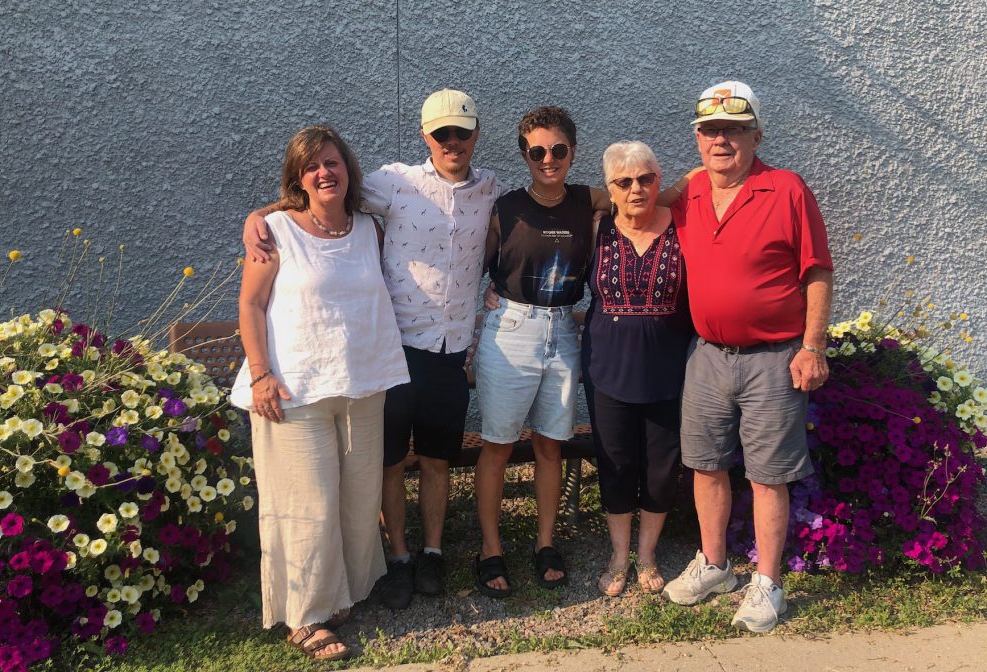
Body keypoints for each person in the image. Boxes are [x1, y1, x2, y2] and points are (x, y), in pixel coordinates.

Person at [244, 89, 500, 610]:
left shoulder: (491, 190)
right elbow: (321, 194)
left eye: (462, 132)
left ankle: (431, 552)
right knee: (387, 462)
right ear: (425, 136)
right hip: (393, 351)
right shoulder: (395, 183)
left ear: (476, 135)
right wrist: (259, 213)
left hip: (449, 351)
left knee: (435, 460)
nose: (452, 141)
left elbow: (541, 210)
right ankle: (398, 557)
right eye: (442, 133)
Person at [231, 125, 410, 659]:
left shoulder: (368, 230)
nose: (324, 172)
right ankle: (305, 615)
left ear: (348, 170)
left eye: (333, 162)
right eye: (312, 166)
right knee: (307, 505)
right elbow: (250, 306)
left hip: (361, 386)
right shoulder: (275, 231)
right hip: (293, 392)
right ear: (298, 178)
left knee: (357, 501)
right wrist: (260, 373)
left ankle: (341, 594)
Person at [661, 81, 834, 633]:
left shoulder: (785, 190)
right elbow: (629, 199)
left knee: (767, 475)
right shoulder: (687, 194)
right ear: (696, 138)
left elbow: (817, 272)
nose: (721, 139)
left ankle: (769, 584)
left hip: (773, 358)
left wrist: (813, 346)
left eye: (734, 129)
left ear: (756, 135)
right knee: (706, 464)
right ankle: (715, 565)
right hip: (708, 354)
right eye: (710, 130)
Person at [473, 106, 609, 597]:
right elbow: (463, 258)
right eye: (537, 151)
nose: (548, 159)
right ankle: (490, 549)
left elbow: (646, 196)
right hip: (511, 331)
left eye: (558, 150)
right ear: (524, 155)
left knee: (551, 444)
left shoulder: (591, 200)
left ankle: (544, 543)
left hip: (563, 336)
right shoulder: (504, 208)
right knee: (498, 445)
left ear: (573, 151)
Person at [582, 141, 694, 597]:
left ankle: (646, 554)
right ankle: (617, 554)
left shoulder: (684, 226)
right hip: (607, 366)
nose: (636, 189)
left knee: (663, 467)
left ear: (659, 179)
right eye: (624, 182)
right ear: (609, 188)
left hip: (670, 369)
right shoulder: (596, 228)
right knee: (616, 461)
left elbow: (700, 180)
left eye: (646, 178)